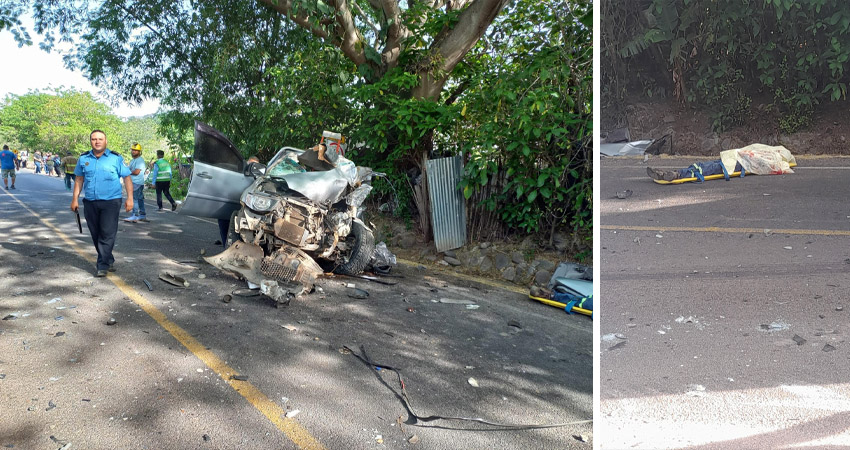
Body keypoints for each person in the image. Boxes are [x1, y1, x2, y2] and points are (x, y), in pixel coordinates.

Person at [70, 130, 133, 277]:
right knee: (95, 233)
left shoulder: (116, 158)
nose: (97, 141)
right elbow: (79, 179)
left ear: (106, 141)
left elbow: (127, 178)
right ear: (90, 141)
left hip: (111, 201)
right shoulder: (84, 158)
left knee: (107, 232)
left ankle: (102, 265)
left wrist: (130, 198)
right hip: (90, 202)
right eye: (94, 139)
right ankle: (108, 258)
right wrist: (75, 199)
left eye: (100, 139)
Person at [216, 155, 261, 247]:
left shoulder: (259, 179)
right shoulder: (238, 174)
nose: (252, 168)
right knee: (223, 222)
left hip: (246, 209)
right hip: (231, 203)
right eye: (250, 165)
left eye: (254, 166)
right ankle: (226, 247)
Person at [124, 143, 148, 222]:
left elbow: (137, 172)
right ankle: (142, 215)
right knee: (140, 199)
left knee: (134, 199)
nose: (133, 152)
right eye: (133, 150)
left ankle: (135, 215)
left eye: (136, 150)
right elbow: (129, 169)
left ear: (139, 152)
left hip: (136, 183)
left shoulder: (140, 160)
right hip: (135, 182)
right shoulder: (133, 160)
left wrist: (128, 172)